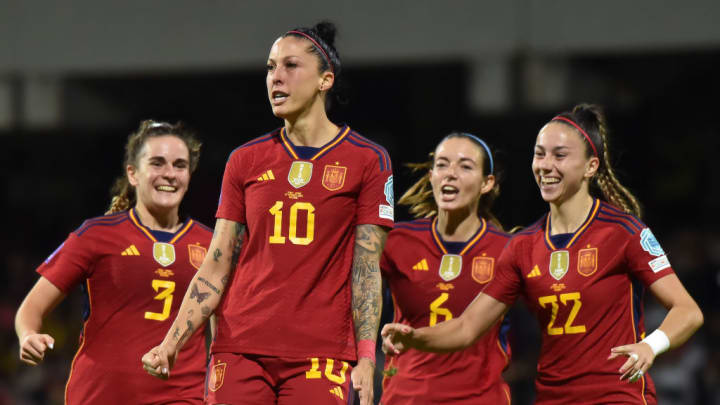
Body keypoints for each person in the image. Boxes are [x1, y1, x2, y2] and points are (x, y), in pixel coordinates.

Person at [382, 104, 704, 404]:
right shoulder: (523, 246)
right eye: (539, 155)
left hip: (616, 395)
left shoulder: (623, 232)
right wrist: (415, 338)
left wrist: (651, 345)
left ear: (591, 166)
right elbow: (467, 327)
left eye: (560, 155)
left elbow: (688, 311)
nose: (546, 165)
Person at [141, 21, 393, 405]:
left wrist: (365, 357)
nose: (275, 78)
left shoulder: (368, 160)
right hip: (240, 347)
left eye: (290, 66)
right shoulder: (245, 159)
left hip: (321, 353)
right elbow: (217, 262)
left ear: (326, 80)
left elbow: (366, 269)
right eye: (270, 67)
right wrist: (170, 343)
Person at [15, 120, 213, 404]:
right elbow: (31, 308)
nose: (169, 174)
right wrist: (28, 335)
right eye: (157, 163)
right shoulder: (95, 235)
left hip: (182, 397)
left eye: (180, 165)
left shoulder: (213, 244)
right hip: (101, 396)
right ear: (132, 173)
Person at [380, 133, 512, 404]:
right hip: (405, 397)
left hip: (479, 399)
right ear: (431, 176)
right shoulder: (395, 241)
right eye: (442, 165)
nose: (450, 173)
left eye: (465, 166)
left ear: (487, 183)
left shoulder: (509, 250)